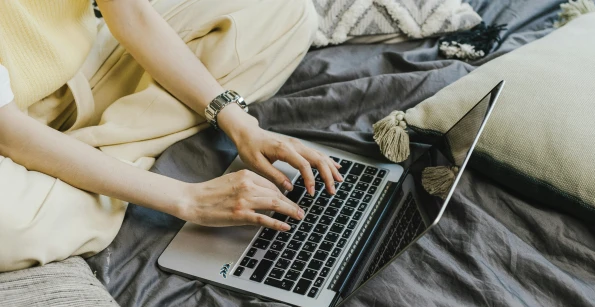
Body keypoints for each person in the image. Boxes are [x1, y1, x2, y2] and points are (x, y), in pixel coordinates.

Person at [0, 0, 342, 273]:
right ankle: (108, 164)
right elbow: (11, 134)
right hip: (10, 129)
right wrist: (187, 198)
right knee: (8, 229)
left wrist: (241, 125)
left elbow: (131, 15)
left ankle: (91, 171)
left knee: (285, 13)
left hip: (82, 67)